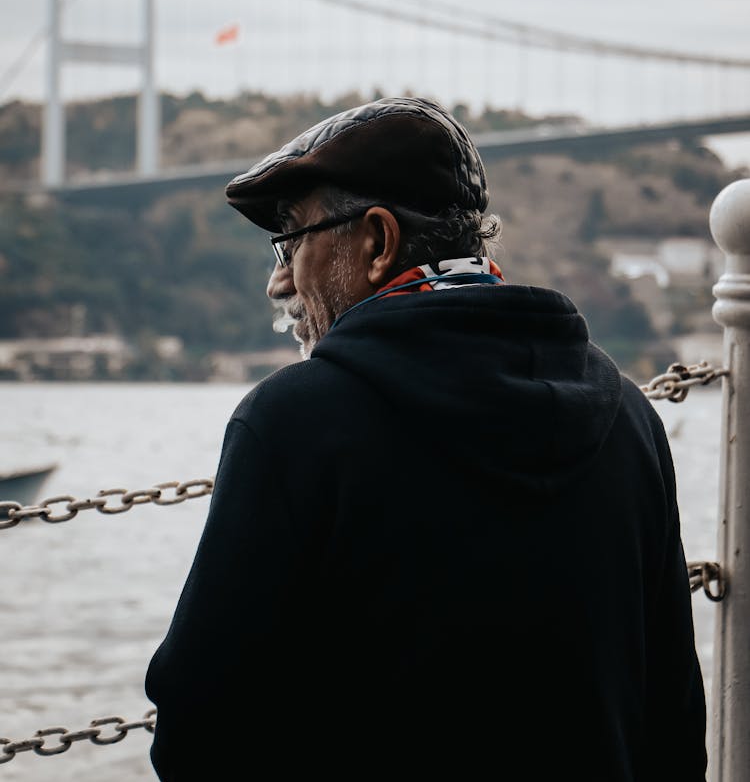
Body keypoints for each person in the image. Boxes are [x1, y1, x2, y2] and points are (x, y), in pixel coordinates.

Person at [146, 95, 706, 780]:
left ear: (376, 242)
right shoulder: (628, 414)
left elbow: (198, 728)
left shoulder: (294, 423)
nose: (278, 280)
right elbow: (676, 720)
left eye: (291, 239)